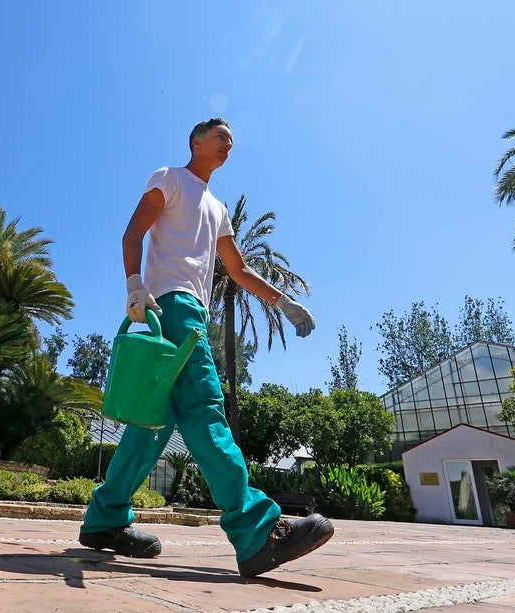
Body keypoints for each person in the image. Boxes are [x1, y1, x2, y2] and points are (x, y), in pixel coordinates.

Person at [78, 118, 334, 578]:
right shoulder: (170, 179)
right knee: (204, 407)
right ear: (196, 141)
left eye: (232, 141)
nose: (228, 144)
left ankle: (104, 519)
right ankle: (256, 529)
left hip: (193, 310)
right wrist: (134, 284)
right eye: (220, 136)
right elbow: (133, 231)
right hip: (171, 305)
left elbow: (236, 269)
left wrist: (283, 302)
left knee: (152, 424)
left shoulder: (217, 208)